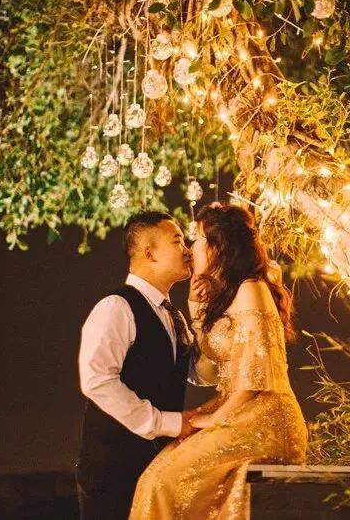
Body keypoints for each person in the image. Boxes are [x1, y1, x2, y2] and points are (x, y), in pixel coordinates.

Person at [129, 203, 308, 519]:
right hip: (236, 408)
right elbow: (207, 374)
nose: (190, 249)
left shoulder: (252, 289)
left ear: (219, 246)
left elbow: (255, 377)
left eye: (197, 239)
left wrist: (215, 419)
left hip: (264, 416)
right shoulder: (228, 295)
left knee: (165, 482)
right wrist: (197, 310)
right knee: (156, 476)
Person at [76, 211, 215, 520]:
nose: (187, 250)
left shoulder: (174, 315)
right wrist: (167, 423)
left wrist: (201, 317)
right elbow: (97, 380)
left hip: (158, 467)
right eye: (177, 241)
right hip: (114, 471)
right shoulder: (116, 306)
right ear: (149, 253)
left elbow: (201, 374)